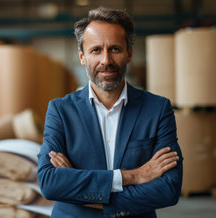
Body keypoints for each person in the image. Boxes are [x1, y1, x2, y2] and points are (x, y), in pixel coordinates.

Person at [37, 7, 183, 218]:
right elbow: (50, 183)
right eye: (96, 50)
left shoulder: (157, 109)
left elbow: (169, 188)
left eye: (115, 49)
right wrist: (133, 176)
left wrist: (83, 189)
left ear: (129, 53)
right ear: (82, 57)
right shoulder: (61, 110)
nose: (106, 60)